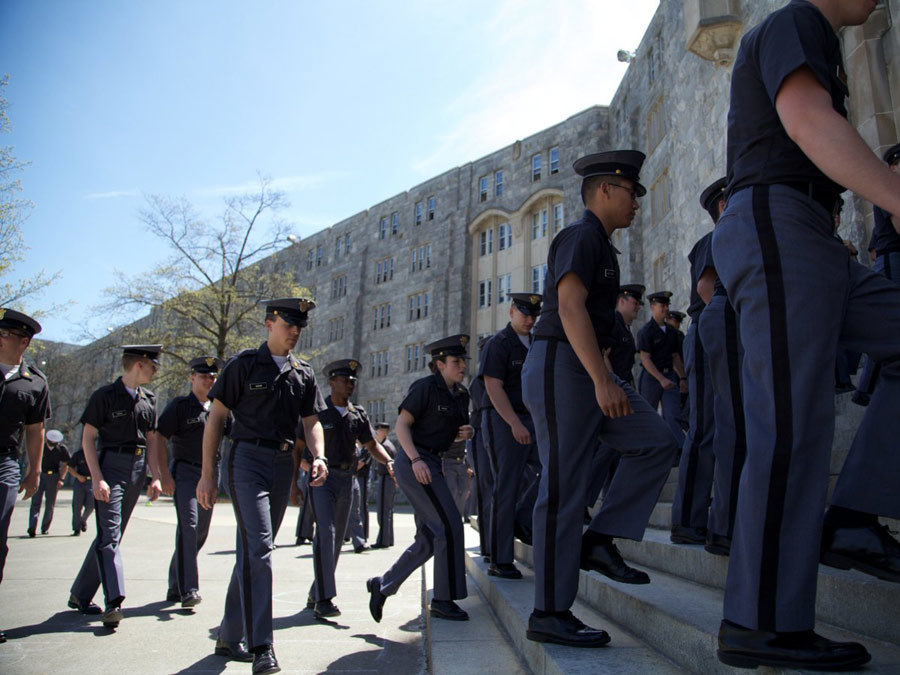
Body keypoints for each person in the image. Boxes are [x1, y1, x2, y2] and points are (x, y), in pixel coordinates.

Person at [712, 1, 900, 669]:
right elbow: (809, 121)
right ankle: (760, 621)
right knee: (790, 422)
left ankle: (853, 516)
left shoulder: (816, 37)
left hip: (814, 236)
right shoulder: (796, 21)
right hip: (778, 222)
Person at [521, 151, 678, 647]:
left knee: (656, 440)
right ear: (606, 190)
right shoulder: (581, 235)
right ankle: (548, 611)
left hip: (590, 369)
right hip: (562, 367)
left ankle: (601, 538)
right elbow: (568, 307)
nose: (637, 202)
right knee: (563, 490)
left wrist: (606, 375)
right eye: (632, 191)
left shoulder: (604, 248)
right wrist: (602, 379)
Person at [197, 298, 327, 674]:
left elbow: (312, 421)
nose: (295, 330)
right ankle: (262, 646)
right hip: (246, 461)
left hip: (281, 465)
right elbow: (216, 419)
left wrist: (318, 456)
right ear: (269, 323)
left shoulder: (303, 373)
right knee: (261, 549)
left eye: (299, 325)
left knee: (253, 551)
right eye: (288, 322)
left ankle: (228, 634)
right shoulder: (242, 366)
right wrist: (208, 474)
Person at [367, 335, 474, 624]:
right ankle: (442, 599)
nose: (462, 365)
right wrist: (414, 460)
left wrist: (466, 435)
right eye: (455, 362)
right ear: (439, 365)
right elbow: (402, 425)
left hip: (435, 462)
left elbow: (445, 432)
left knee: (431, 536)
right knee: (447, 525)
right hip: (414, 463)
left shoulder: (462, 395)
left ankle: (383, 584)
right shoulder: (424, 388)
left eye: (463, 361)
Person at [68, 344, 164, 629]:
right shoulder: (104, 396)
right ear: (139, 365)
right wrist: (97, 478)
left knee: (112, 535)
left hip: (136, 470)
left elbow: (151, 440)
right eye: (153, 366)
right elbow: (88, 439)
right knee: (109, 535)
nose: (155, 371)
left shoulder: (149, 399)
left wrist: (155, 475)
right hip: (111, 467)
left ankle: (80, 595)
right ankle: (114, 602)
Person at [303, 359, 391, 619]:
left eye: (353, 380)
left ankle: (316, 591)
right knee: (326, 534)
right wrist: (299, 478)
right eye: (345, 379)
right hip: (322, 479)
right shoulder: (318, 412)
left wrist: (390, 462)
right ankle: (324, 599)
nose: (350, 383)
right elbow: (300, 445)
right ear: (331, 382)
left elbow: (371, 445)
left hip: (347, 479)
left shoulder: (358, 414)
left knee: (338, 539)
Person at [694, 177, 746, 557]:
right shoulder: (722, 235)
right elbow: (706, 288)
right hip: (726, 313)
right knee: (732, 420)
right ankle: (725, 525)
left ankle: (727, 522)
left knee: (735, 419)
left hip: (728, 315)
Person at [480, 292, 542, 579]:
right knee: (506, 486)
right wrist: (515, 423)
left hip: (535, 420)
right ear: (511, 312)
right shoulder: (499, 344)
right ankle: (500, 559)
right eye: (525, 314)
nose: (530, 320)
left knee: (551, 471)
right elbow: (493, 387)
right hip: (505, 421)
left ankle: (521, 518)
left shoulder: (537, 342)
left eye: (534, 315)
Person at [0, 308, 49, 644]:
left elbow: (35, 430)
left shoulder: (34, 382)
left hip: (4, 463)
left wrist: (33, 472)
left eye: (5, 334)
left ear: (23, 341)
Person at [157, 355, 223, 608]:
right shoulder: (180, 406)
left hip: (210, 474)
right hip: (185, 472)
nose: (210, 380)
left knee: (199, 533)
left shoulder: (219, 408)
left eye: (213, 377)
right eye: (204, 376)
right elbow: (159, 437)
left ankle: (175, 584)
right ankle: (189, 588)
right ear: (192, 377)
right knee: (189, 527)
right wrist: (163, 474)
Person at [670, 222, 717, 546]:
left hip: (723, 332)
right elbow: (707, 288)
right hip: (711, 331)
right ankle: (688, 519)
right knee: (704, 428)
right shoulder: (714, 239)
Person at [852, 142, 900, 405]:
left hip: (889, 259)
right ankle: (867, 391)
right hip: (893, 260)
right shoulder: (889, 190)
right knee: (890, 325)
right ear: (893, 167)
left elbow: (872, 248)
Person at [636, 291, 687, 446]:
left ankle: (680, 450)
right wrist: (661, 379)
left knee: (673, 415)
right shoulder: (646, 331)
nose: (665, 309)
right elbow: (645, 359)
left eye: (667, 305)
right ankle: (649, 449)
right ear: (652, 307)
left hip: (669, 376)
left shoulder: (672, 332)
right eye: (662, 306)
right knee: (649, 415)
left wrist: (683, 378)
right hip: (652, 378)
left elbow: (675, 357)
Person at [27, 428, 69, 536]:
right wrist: (29, 476)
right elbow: (32, 462)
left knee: (50, 504)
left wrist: (61, 479)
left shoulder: (61, 449)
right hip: (40, 475)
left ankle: (45, 527)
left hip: (53, 476)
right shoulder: (41, 447)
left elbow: (66, 464)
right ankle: (32, 527)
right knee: (35, 501)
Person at [371, 422, 397, 549]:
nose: (376, 431)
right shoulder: (387, 445)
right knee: (387, 511)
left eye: (378, 429)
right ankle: (388, 538)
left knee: (383, 510)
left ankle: (383, 540)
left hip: (387, 478)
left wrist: (395, 480)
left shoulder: (386, 446)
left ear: (384, 431)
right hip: (388, 479)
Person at [67, 443, 94, 536]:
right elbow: (70, 467)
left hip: (92, 482)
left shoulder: (97, 454)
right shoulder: (78, 454)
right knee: (77, 506)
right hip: (80, 482)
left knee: (91, 505)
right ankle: (76, 529)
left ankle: (83, 520)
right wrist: (77, 476)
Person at [441, 439, 468, 521]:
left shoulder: (464, 428)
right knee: (453, 490)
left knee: (464, 490)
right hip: (448, 461)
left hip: (461, 461)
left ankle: (459, 515)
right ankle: (453, 516)